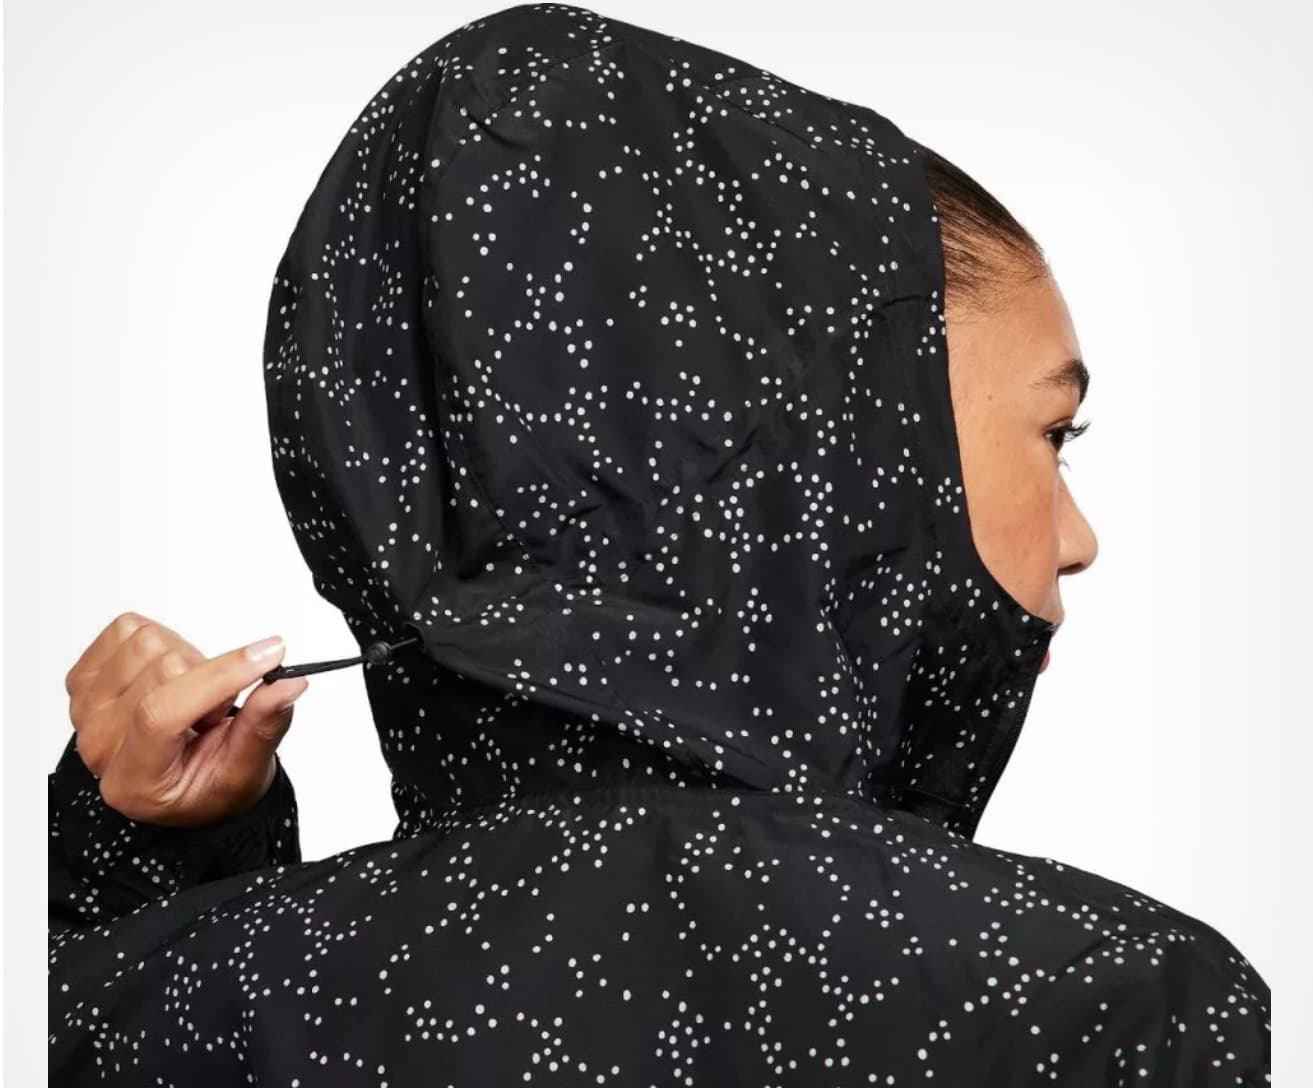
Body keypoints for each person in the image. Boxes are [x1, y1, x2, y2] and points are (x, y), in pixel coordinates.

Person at [48, 4, 1270, 1084]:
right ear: (841, 443)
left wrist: (149, 868)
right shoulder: (1119, 1006)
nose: (1077, 538)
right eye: (1055, 433)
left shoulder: (140, 1007)